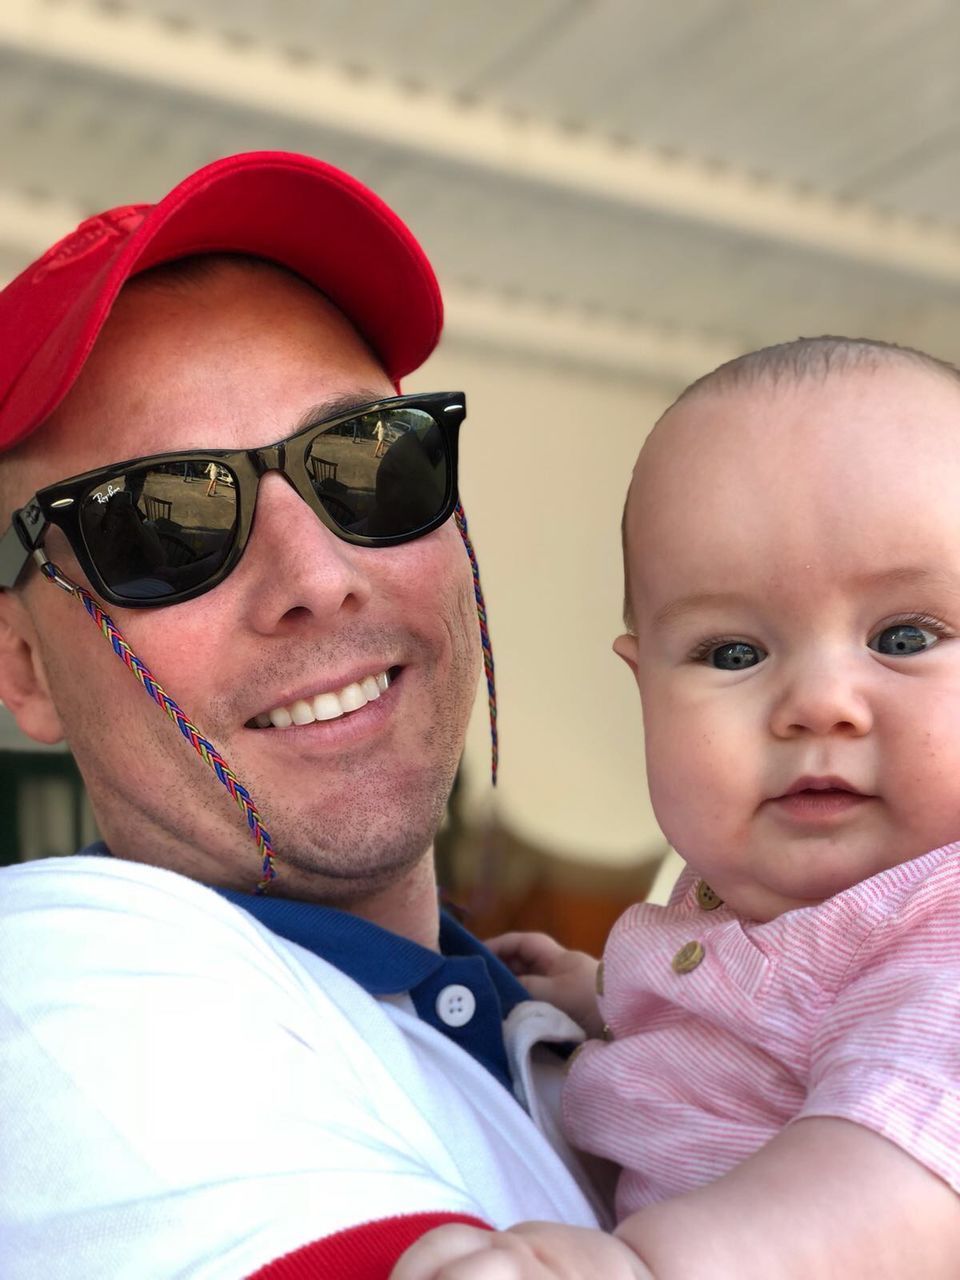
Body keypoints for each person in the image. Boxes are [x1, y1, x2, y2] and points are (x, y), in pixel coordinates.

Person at [0, 152, 604, 1278]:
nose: (319, 574)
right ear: (23, 664)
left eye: (369, 464)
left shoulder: (585, 1023)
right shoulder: (48, 987)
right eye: (161, 525)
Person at [393, 337, 960, 1279]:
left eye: (905, 635)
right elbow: (761, 1029)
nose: (819, 702)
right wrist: (606, 1000)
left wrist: (633, 1270)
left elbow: (897, 1182)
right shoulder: (749, 905)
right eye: (732, 654)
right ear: (645, 686)